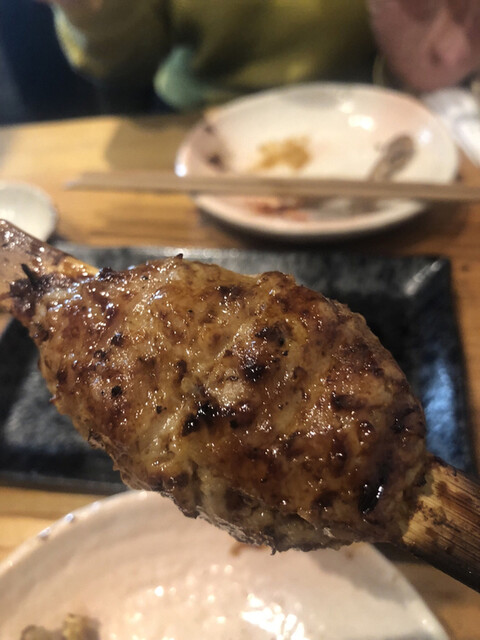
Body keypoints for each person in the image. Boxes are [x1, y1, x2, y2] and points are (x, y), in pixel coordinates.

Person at [39, 0, 480, 113]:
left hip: (376, 124)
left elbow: (440, 49)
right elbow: (123, 66)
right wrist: (92, 10)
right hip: (192, 127)